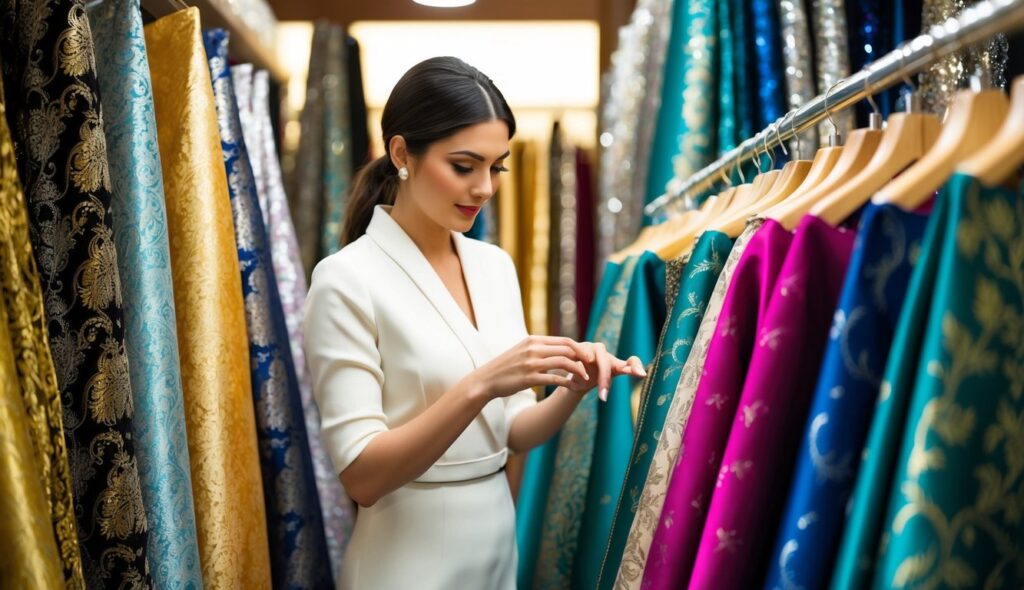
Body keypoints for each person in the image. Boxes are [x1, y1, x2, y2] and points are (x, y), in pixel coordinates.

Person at [304, 56, 643, 589]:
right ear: (401, 154)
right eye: (464, 166)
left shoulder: (493, 266)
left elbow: (512, 430)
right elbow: (363, 476)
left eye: (497, 166)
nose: (485, 188)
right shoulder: (345, 279)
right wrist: (483, 383)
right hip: (405, 558)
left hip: (494, 543)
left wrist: (571, 389)